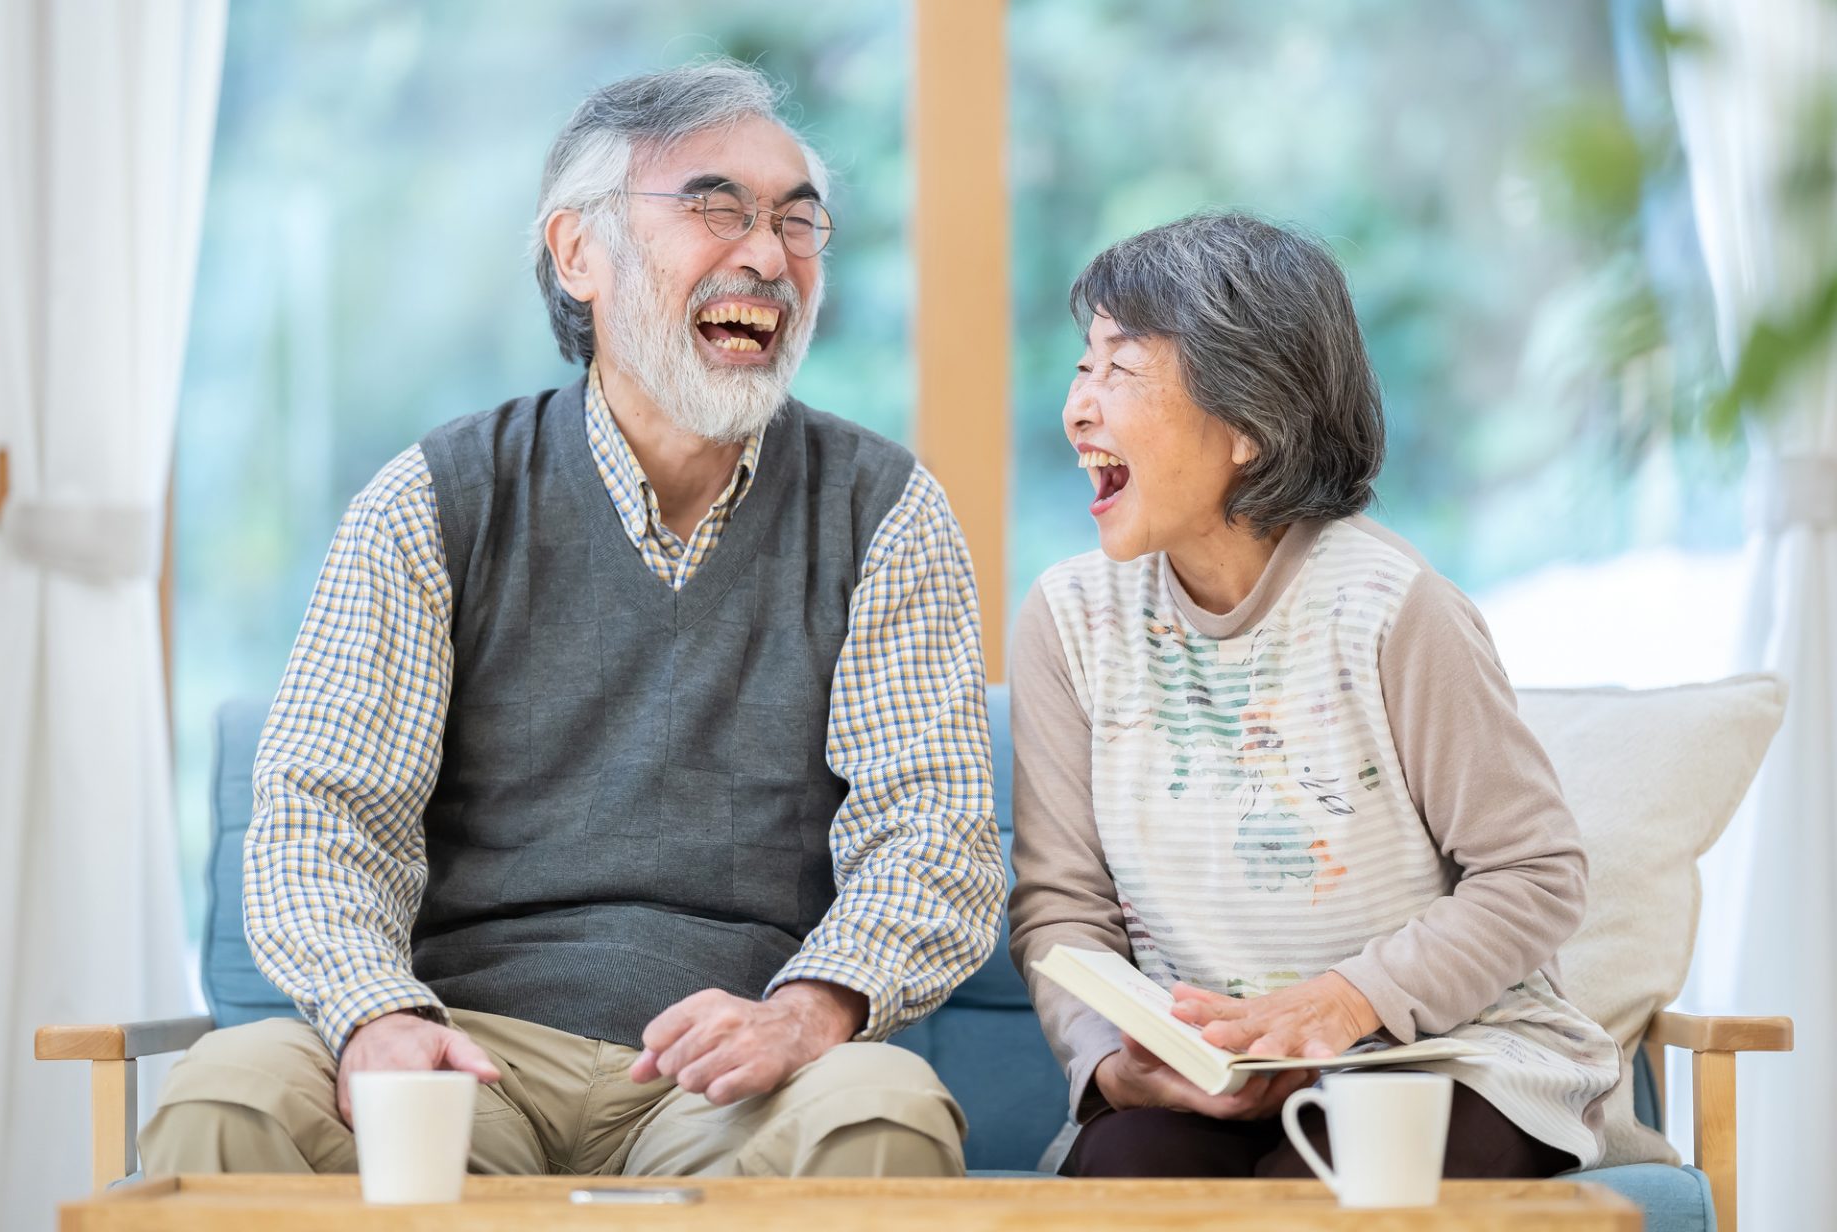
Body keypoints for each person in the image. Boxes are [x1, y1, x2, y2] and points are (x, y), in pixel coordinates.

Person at [141, 59, 1003, 1179]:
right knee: (229, 1093)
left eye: (798, 221)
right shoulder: (434, 497)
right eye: (715, 208)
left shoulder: (883, 509)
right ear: (578, 252)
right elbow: (322, 817)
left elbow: (931, 834)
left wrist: (806, 1011)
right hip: (466, 1050)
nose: (767, 255)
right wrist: (375, 1015)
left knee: (882, 1110)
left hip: (737, 1070)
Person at [1007, 211, 1618, 1179]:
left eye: (1120, 370)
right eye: (1084, 368)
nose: (1079, 406)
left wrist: (1344, 1000)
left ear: (1249, 422)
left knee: (1328, 1186)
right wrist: (1114, 1064)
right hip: (1215, 1078)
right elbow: (1062, 909)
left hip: (1439, 1057)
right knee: (1123, 1173)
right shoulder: (1070, 621)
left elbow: (1535, 873)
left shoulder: (1393, 609)